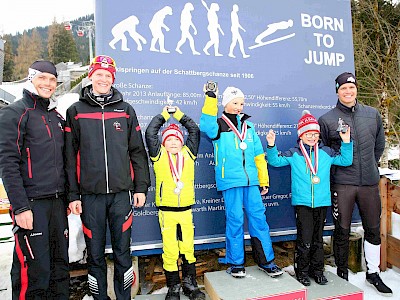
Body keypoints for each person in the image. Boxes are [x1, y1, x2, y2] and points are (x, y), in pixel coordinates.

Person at [65, 55, 150, 299]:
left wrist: (141, 188)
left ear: (113, 78)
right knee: (95, 254)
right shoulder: (76, 111)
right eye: (99, 74)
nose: (103, 79)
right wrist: (73, 195)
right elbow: (69, 157)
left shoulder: (125, 110)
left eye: (108, 75)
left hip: (121, 195)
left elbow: (137, 151)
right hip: (90, 197)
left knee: (123, 252)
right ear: (90, 76)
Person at [318, 72, 393, 296]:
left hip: (369, 182)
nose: (348, 92)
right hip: (343, 183)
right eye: (343, 89)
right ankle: (342, 274)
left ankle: (373, 273)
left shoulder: (373, 115)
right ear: (337, 91)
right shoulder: (327, 119)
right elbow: (322, 150)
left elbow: (378, 146)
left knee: (372, 228)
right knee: (341, 230)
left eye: (351, 88)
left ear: (356, 89)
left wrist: (369, 164)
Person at [0, 60, 69, 299]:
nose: (47, 84)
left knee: (60, 267)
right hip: (31, 205)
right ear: (31, 79)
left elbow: (64, 161)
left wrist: (69, 197)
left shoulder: (56, 117)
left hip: (57, 204)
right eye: (42, 78)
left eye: (52, 80)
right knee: (34, 270)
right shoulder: (15, 113)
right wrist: (20, 206)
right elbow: (7, 163)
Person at [200, 85, 283, 278]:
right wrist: (211, 97)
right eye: (235, 102)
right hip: (231, 181)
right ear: (226, 103)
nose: (239, 106)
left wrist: (263, 179)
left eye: (242, 103)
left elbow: (258, 155)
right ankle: (236, 263)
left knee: (259, 219)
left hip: (251, 182)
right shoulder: (218, 125)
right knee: (235, 220)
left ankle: (266, 261)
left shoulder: (250, 126)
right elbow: (205, 125)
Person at [266, 110, 353, 286]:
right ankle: (302, 272)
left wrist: (346, 141)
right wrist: (271, 145)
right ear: (301, 135)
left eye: (315, 134)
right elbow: (274, 161)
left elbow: (346, 160)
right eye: (308, 134)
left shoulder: (327, 152)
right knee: (304, 240)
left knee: (318, 240)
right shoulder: (294, 154)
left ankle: (318, 271)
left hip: (322, 202)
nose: (312, 137)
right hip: (302, 203)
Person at [145, 106, 205, 300]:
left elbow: (194, 130)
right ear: (163, 143)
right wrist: (164, 115)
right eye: (169, 139)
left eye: (177, 139)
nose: (173, 142)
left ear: (182, 142)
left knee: (188, 248)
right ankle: (173, 287)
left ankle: (190, 284)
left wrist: (178, 115)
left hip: (186, 211)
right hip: (167, 212)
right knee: (170, 250)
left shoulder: (189, 154)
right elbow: (150, 132)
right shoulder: (159, 156)